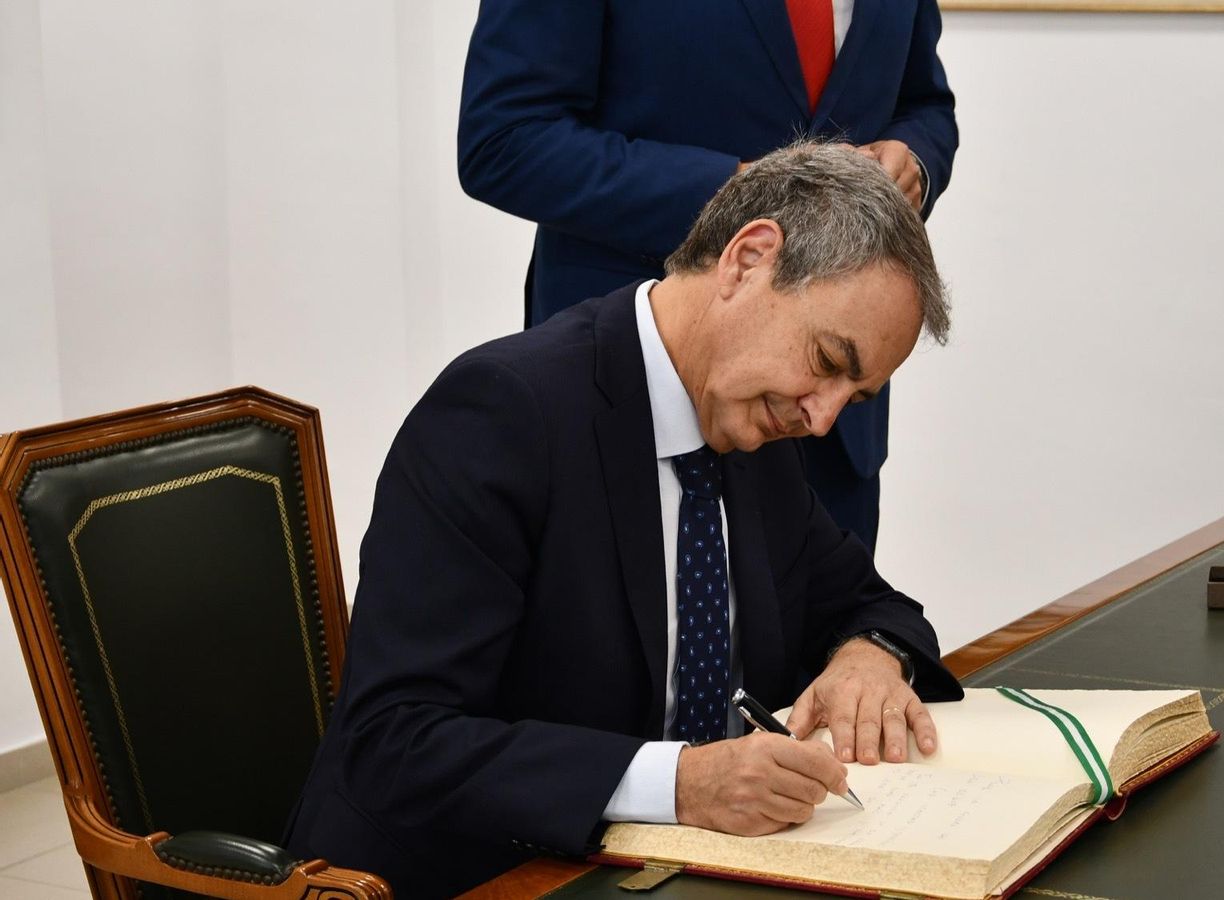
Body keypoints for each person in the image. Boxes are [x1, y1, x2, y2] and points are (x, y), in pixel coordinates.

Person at [283, 143, 964, 898]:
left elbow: (869, 602)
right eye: (830, 360)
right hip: (476, 875)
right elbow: (395, 738)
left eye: (855, 396)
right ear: (748, 260)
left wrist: (869, 655)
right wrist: (679, 783)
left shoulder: (753, 421)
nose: (823, 415)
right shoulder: (502, 412)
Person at [456, 0, 959, 551]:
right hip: (629, 395)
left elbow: (924, 102)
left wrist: (916, 162)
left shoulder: (824, 410)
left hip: (832, 445)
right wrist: (740, 192)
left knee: (843, 630)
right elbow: (505, 139)